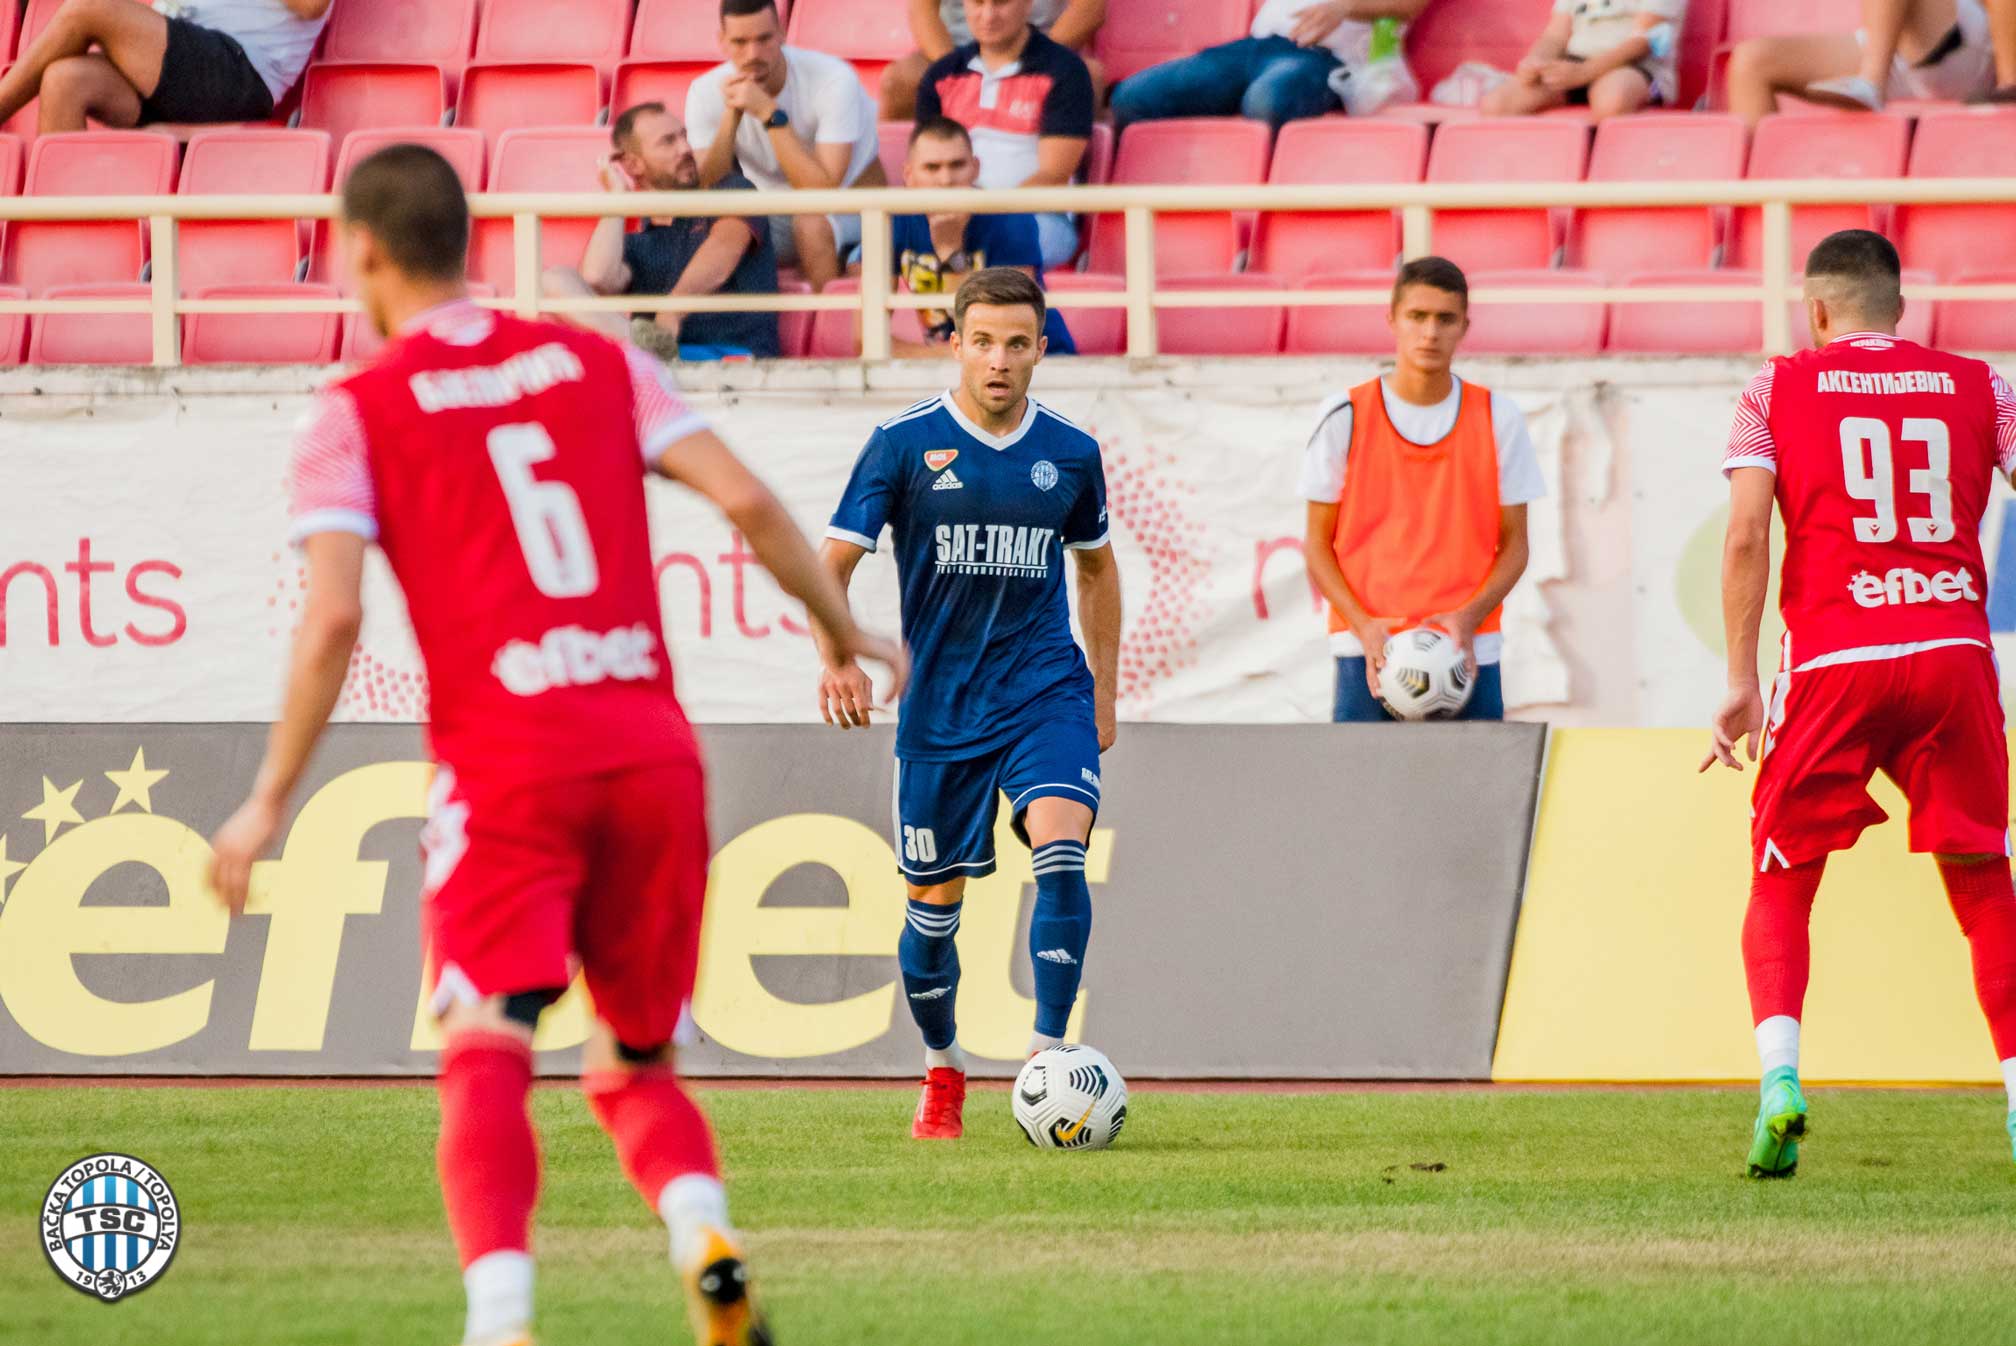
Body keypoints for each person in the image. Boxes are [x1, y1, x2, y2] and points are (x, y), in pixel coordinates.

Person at [207, 142, 903, 1346]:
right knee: (634, 1063)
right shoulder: (597, 360)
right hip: (651, 755)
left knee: (486, 1042)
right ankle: (705, 1240)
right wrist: (841, 633)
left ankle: (502, 1320)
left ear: (362, 251)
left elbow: (331, 614)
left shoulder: (353, 412)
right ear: (469, 240)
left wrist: (267, 799)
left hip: (509, 763)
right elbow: (743, 499)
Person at [1703, 229, 2016, 1179]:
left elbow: (1749, 535)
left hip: (1839, 657)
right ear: (1901, 312)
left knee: (1782, 876)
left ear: (1818, 311)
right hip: (1952, 655)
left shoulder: (1776, 386)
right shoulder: (1982, 384)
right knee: (1981, 878)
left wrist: (1740, 680)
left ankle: (1781, 1081)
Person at [817, 267, 1122, 1140]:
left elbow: (1096, 569)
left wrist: (1101, 690)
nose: (999, 359)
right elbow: (829, 567)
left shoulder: (1069, 452)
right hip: (941, 711)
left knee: (1062, 849)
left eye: (1017, 343)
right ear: (955, 343)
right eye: (982, 341)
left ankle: (1047, 1062)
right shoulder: (904, 444)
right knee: (932, 913)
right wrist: (837, 658)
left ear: (1041, 349)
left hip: (1044, 692)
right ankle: (943, 1068)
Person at [1299, 257, 1543, 724]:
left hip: (1467, 649)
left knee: (1477, 795)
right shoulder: (1344, 414)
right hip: (1367, 649)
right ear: (1392, 320)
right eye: (1417, 316)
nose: (1430, 333)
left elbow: (1516, 543)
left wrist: (1469, 619)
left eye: (1445, 319)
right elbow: (1316, 543)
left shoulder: (1498, 418)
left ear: (1464, 326)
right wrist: (1363, 625)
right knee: (1363, 792)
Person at [544, 101, 782, 362]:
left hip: (732, 357)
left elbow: (723, 251)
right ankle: (645, 347)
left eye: (684, 136)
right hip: (659, 367)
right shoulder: (637, 243)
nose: (685, 148)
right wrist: (617, 200)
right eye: (668, 142)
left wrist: (673, 309)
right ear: (633, 165)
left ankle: (646, 351)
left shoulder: (731, 189)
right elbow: (597, 278)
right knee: (553, 279)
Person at [686, 0, 885, 293]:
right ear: (722, 42)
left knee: (810, 224)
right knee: (705, 234)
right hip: (774, 209)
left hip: (852, 202)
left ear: (782, 33)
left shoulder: (833, 78)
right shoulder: (705, 91)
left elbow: (822, 192)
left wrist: (769, 113)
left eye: (764, 39)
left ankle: (827, 327)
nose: (753, 54)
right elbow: (706, 188)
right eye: (740, 42)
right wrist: (732, 116)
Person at [915, 0, 1094, 267]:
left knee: (998, 247)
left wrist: (981, 212)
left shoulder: (1065, 70)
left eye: (1000, 3)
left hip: (1038, 216)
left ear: (1027, 4)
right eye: (977, 3)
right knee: (870, 255)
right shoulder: (940, 75)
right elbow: (925, 165)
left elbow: (1054, 174)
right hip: (952, 212)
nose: (987, 15)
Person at [882, 116, 1075, 358]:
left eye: (957, 165)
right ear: (908, 175)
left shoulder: (1009, 218)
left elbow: (1008, 333)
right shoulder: (890, 220)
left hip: (1042, 363)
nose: (945, 180)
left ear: (975, 168)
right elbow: (866, 340)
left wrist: (951, 255)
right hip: (957, 368)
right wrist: (944, 356)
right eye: (932, 168)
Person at [0, 0, 329, 135]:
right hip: (174, 63)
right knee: (65, 80)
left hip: (240, 71)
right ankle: (67, 235)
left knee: (88, 8)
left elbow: (311, 6)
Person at [1109, 0, 1430, 134]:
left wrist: (1345, 6)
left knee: (1267, 99)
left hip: (1323, 57)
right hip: (1253, 47)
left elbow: (1407, 5)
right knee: (1132, 97)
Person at [1726, 0, 1992, 125]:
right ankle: (1759, 217)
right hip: (1895, 44)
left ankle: (1870, 81)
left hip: (1972, 36)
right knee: (1752, 62)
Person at [880, 0, 1107, 120]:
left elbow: (1090, 8)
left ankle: (1079, 194)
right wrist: (954, 68)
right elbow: (922, 12)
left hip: (1041, 47)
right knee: (899, 82)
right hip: (956, 50)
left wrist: (1038, 57)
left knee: (1088, 77)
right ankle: (902, 194)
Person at [1481, 0, 1687, 120]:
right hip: (1575, 65)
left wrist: (1584, 73)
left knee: (1613, 99)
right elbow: (1555, 35)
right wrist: (1535, 62)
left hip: (1636, 66)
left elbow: (1644, 41)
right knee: (1497, 104)